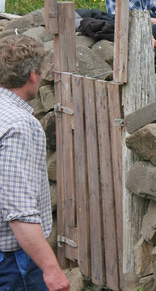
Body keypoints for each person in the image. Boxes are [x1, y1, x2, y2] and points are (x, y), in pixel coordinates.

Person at [0, 35, 70, 291]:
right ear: (33, 75)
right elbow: (18, 211)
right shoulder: (19, 125)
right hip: (11, 262)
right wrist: (52, 270)